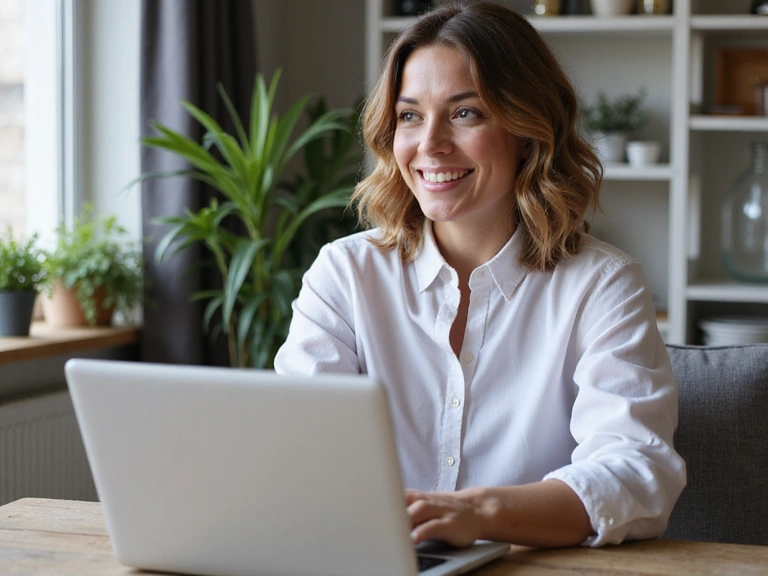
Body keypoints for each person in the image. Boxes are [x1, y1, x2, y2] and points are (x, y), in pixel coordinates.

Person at [274, 1, 686, 549]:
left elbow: (635, 472)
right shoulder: (345, 273)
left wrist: (476, 513)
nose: (430, 144)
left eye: (466, 113)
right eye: (410, 115)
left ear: (529, 131)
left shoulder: (602, 284)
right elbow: (299, 451)